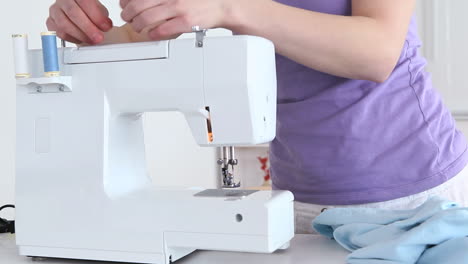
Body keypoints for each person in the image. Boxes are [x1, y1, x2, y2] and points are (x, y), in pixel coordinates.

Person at [47, 0, 468, 234]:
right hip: (298, 199)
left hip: (413, 193)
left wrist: (231, 7)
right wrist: (84, 28)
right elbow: (143, 33)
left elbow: (377, 51)